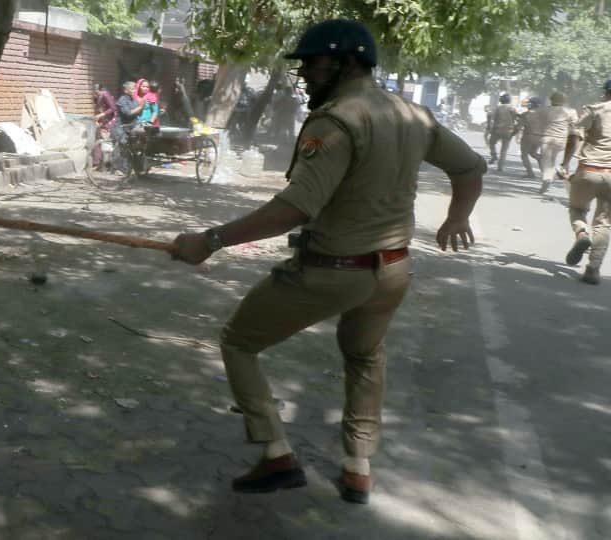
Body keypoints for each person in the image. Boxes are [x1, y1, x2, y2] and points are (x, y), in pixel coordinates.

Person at [170, 19, 484, 504]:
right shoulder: (414, 115)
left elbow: (296, 208)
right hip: (392, 270)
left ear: (347, 61)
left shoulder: (337, 119)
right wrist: (456, 218)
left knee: (238, 341)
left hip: (332, 272)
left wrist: (210, 239)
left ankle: (277, 455)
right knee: (365, 356)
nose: (306, 75)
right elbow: (469, 167)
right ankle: (358, 467)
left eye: (314, 64)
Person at [560, 79, 611, 285]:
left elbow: (574, 135)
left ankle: (581, 233)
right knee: (605, 222)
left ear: (606, 92)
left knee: (577, 209)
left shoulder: (596, 109)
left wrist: (564, 164)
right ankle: (593, 269)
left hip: (589, 170)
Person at [537, 92, 578, 194]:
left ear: (551, 100)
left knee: (546, 161)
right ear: (564, 101)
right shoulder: (571, 112)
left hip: (547, 139)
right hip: (561, 141)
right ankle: (547, 182)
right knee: (553, 160)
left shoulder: (544, 110)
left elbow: (538, 123)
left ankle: (547, 178)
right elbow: (575, 125)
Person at [113, 81, 144, 175]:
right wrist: (140, 107)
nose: (134, 91)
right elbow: (128, 113)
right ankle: (118, 168)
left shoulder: (133, 100)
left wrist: (140, 109)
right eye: (132, 89)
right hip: (121, 127)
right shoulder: (122, 100)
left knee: (136, 146)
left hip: (131, 126)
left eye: (135, 89)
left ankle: (134, 168)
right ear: (126, 91)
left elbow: (137, 114)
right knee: (123, 146)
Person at [489, 93, 519, 171]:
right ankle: (500, 167)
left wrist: (491, 129)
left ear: (501, 100)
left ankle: (494, 155)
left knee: (491, 143)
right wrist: (515, 130)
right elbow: (516, 120)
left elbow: (493, 119)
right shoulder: (512, 108)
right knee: (504, 149)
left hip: (498, 130)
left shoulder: (498, 108)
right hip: (509, 131)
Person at [517, 97, 545, 178]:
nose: (527, 104)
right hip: (539, 138)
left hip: (528, 137)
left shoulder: (526, 114)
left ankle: (530, 173)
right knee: (533, 153)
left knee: (524, 155)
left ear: (533, 104)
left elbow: (518, 127)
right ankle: (544, 172)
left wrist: (513, 134)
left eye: (529, 103)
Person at [92, 83, 117, 171]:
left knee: (105, 141)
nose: (96, 93)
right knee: (98, 140)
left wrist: (101, 115)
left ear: (102, 90)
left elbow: (113, 108)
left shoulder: (106, 95)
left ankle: (107, 164)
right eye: (95, 92)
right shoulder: (98, 97)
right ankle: (97, 163)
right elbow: (97, 109)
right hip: (102, 121)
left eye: (97, 91)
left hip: (108, 121)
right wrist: (97, 120)